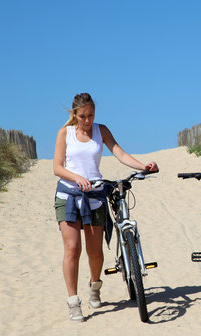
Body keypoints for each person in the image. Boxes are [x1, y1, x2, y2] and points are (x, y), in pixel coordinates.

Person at [53, 93, 158, 322]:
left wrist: (144, 166)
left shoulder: (102, 130)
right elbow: (57, 168)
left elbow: (119, 153)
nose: (88, 121)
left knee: (95, 252)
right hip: (68, 195)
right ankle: (73, 302)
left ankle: (95, 285)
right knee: (72, 250)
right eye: (83, 116)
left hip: (95, 194)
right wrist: (77, 178)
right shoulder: (65, 133)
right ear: (74, 114)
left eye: (91, 115)